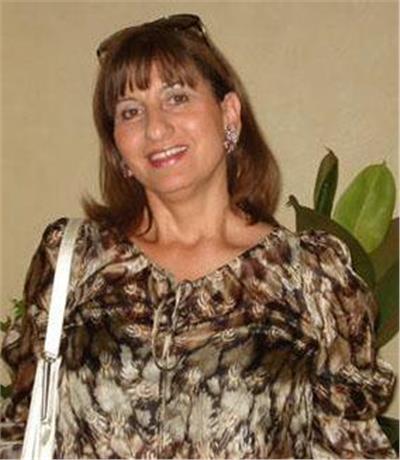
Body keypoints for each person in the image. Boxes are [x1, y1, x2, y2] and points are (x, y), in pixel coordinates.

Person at [0, 14, 396, 459]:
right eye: (130, 111)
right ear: (118, 149)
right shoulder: (73, 262)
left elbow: (351, 447)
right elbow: (20, 429)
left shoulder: (311, 278)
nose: (155, 128)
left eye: (177, 97)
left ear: (229, 115)